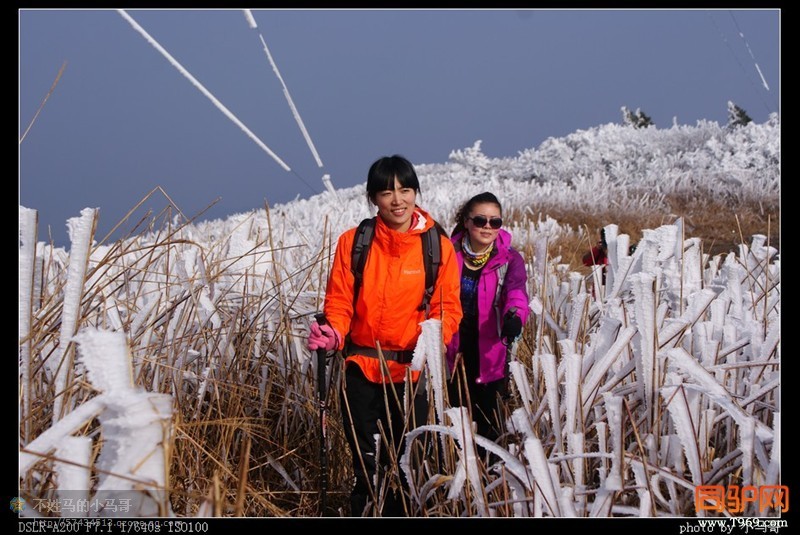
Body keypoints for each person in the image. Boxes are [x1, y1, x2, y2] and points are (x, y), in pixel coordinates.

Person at [307, 155, 462, 517]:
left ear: (415, 193)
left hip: (411, 376)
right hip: (360, 371)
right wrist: (333, 333)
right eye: (387, 191)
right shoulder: (354, 242)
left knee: (410, 468)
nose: (397, 200)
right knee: (368, 469)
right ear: (373, 197)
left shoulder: (437, 247)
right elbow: (340, 301)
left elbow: (447, 308)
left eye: (405, 190)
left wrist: (431, 345)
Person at [445, 192, 530, 451]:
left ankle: (488, 479)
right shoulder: (447, 254)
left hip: (490, 352)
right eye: (481, 220)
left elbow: (516, 292)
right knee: (451, 423)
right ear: (467, 222)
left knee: (488, 426)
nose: (487, 227)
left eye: (495, 222)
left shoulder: (509, 259)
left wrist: (514, 317)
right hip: (451, 351)